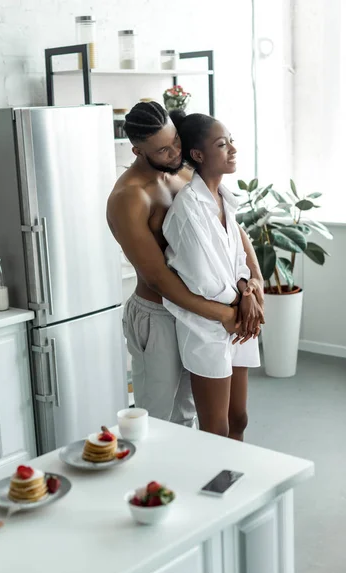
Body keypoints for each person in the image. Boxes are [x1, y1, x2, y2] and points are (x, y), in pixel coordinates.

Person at [106, 101, 264, 429]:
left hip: (201, 312)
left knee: (196, 414)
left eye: (176, 141)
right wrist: (225, 313)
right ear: (137, 151)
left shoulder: (182, 170)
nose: (175, 152)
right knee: (163, 420)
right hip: (159, 313)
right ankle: (155, 482)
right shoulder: (129, 197)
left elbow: (233, 228)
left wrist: (254, 283)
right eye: (163, 150)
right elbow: (159, 279)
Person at [163, 109, 262, 440]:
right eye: (222, 144)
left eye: (231, 141)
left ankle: (237, 486)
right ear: (198, 155)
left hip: (239, 319)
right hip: (207, 328)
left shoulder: (224, 200)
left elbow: (237, 259)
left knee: (240, 417)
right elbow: (204, 281)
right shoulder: (188, 211)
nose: (232, 148)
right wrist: (243, 301)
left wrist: (247, 289)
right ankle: (216, 489)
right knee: (215, 428)